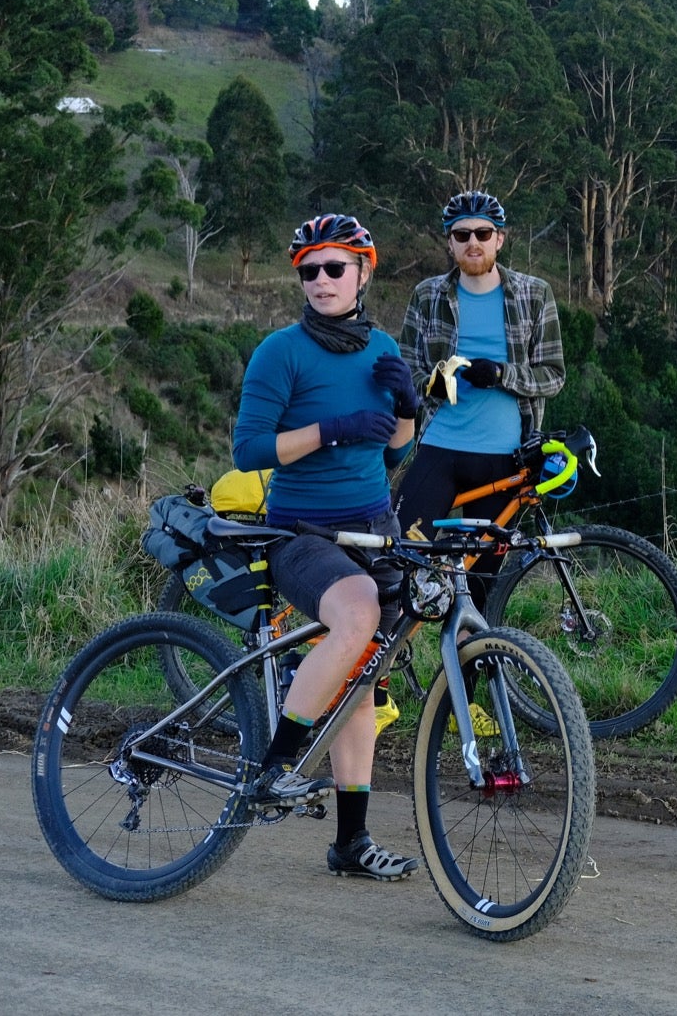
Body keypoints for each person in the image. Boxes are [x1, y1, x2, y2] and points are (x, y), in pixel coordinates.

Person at [231, 213, 422, 882]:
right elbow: (250, 448)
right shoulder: (280, 352)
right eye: (308, 269)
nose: (319, 280)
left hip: (373, 523)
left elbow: (397, 450)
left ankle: (350, 842)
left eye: (333, 267)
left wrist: (406, 408)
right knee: (360, 613)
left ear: (364, 272)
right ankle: (276, 765)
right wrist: (329, 429)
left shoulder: (383, 348)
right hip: (301, 531)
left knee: (364, 672)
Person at [396, 190, 566, 607]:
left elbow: (554, 374)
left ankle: (466, 670)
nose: (474, 242)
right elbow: (405, 367)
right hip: (439, 446)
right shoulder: (427, 294)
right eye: (462, 234)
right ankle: (379, 657)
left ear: (500, 239)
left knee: (479, 583)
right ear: (450, 243)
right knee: (399, 554)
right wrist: (429, 385)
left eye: (483, 233)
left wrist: (503, 374)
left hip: (505, 457)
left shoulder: (534, 294)